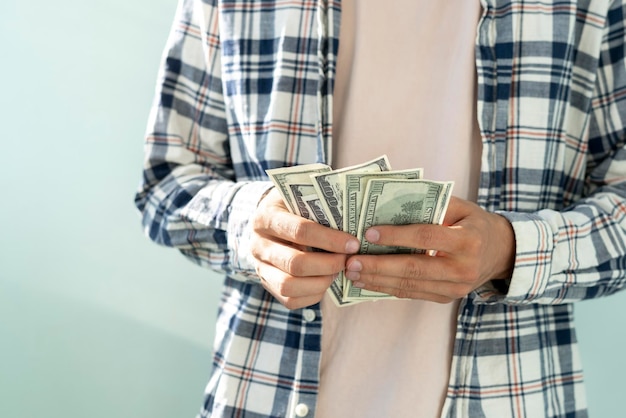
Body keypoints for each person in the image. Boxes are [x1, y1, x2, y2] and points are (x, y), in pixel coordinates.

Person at [135, 0, 626, 416]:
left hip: (512, 395)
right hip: (264, 392)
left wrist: (511, 251)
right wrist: (249, 224)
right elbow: (167, 181)